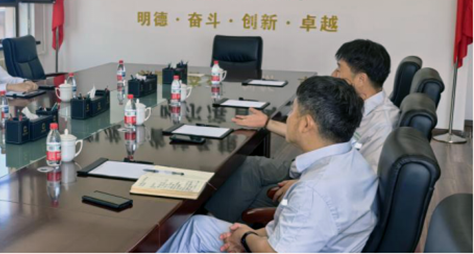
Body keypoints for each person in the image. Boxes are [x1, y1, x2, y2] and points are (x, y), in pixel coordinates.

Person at [159, 76, 377, 253]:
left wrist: (245, 237)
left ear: (306, 124)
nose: (289, 116)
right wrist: (248, 236)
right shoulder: (353, 161)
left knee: (194, 233)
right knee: (197, 226)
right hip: (288, 242)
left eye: (294, 111)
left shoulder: (314, 191)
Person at [205, 39, 398, 222]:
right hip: (316, 167)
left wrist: (307, 183)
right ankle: (211, 218)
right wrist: (267, 122)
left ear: (361, 79)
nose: (334, 74)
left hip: (326, 184)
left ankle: (214, 227)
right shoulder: (357, 105)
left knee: (247, 195)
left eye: (339, 69)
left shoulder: (382, 124)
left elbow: (366, 183)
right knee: (248, 166)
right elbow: (314, 132)